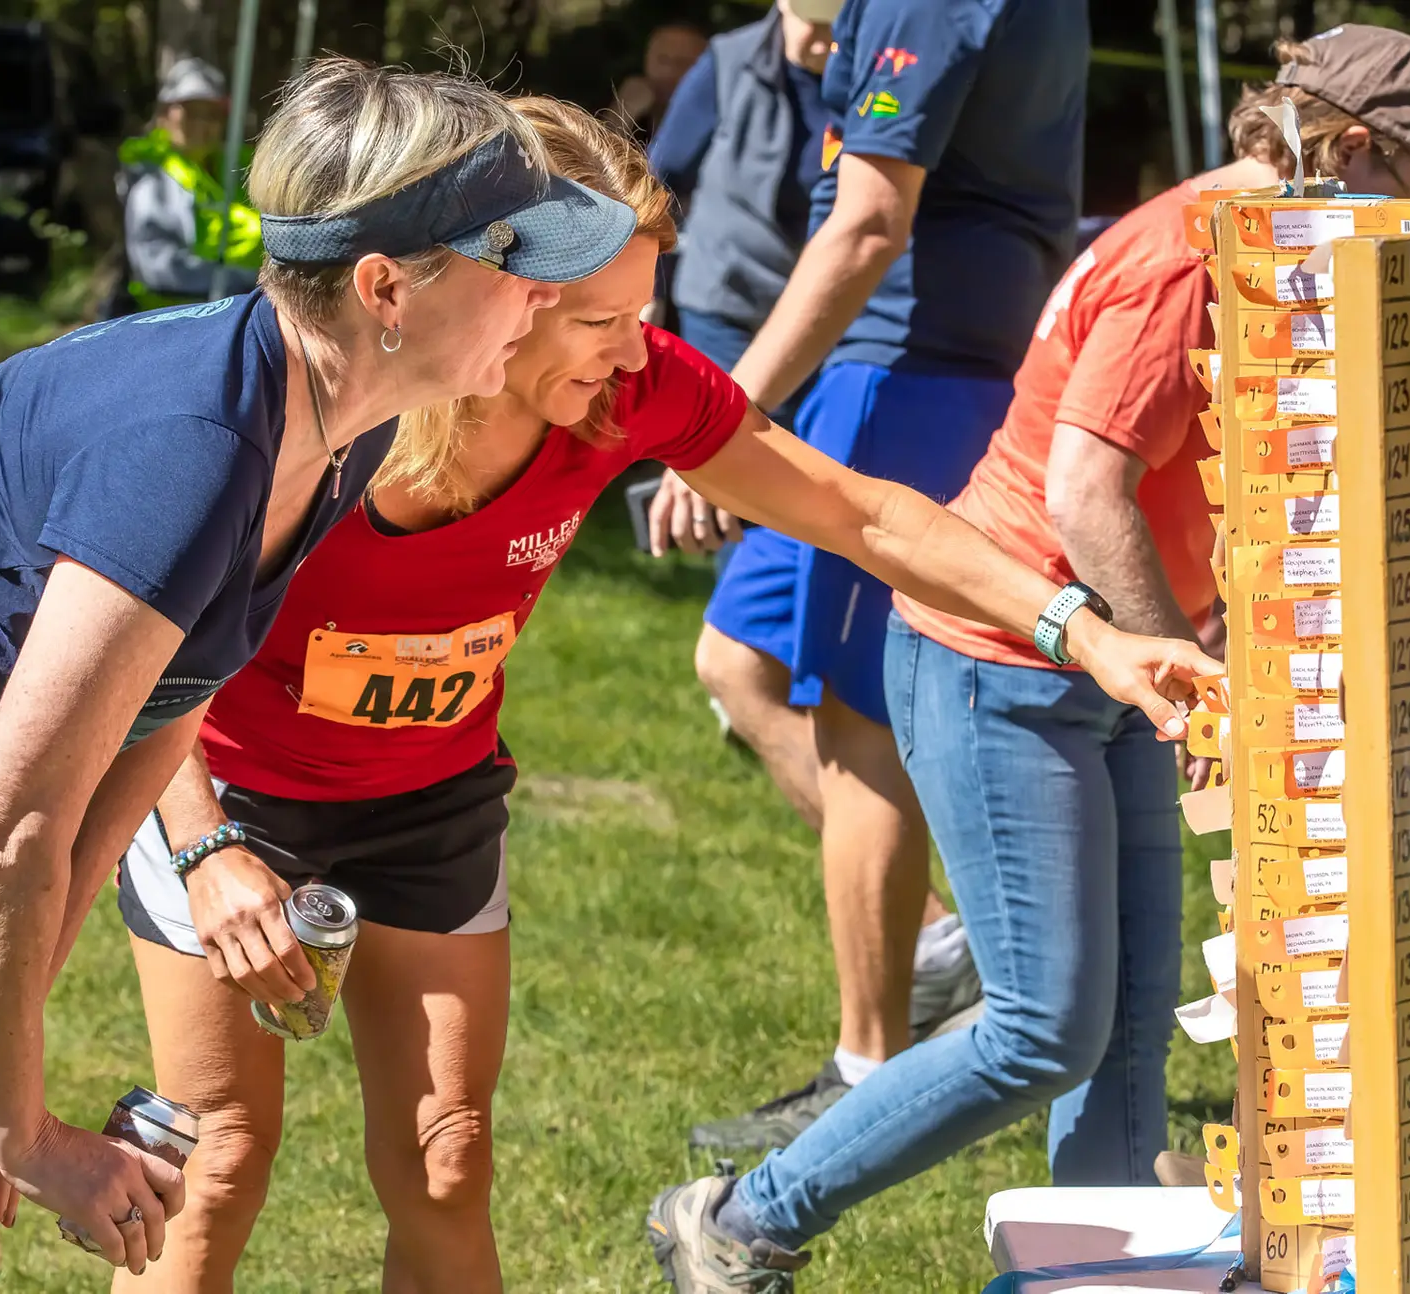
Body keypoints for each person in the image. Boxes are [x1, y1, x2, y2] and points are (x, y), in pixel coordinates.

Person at [116, 95, 1221, 1294]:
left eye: (644, 313)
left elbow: (864, 515)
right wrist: (206, 846)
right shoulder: (320, 417)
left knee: (449, 1159)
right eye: (601, 319)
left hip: (428, 798)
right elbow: (143, 644)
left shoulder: (625, 389)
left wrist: (1087, 633)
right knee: (216, 1163)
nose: (635, 349)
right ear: (499, 300)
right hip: (223, 790)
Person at [0, 58, 635, 1293]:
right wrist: (26, 1132)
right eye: (515, 261)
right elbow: (10, 827)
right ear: (383, 289)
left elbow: (153, 727)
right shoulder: (194, 452)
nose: (543, 297)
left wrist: (4, 1068)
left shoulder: (338, 434)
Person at [643, 24, 1410, 1290]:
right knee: (1043, 1026)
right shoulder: (1192, 254)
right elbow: (1087, 492)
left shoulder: (1261, 246)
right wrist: (1183, 659)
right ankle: (740, 1218)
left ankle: (1098, 1273)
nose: (1402, 236)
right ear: (1349, 145)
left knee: (1126, 1025)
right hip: (1001, 663)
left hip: (1106, 666)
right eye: (1408, 197)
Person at [656, 0, 1090, 1153]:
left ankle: (867, 1071)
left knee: (861, 724)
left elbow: (867, 224)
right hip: (900, 365)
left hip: (909, 374)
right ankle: (938, 945)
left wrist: (719, 417)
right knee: (738, 658)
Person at [647, 0, 837, 431]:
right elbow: (658, 180)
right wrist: (650, 284)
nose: (824, 40)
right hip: (726, 301)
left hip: (826, 310)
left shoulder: (876, 73)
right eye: (812, 23)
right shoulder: (728, 60)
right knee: (728, 440)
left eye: (835, 25)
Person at [120, 57, 264, 312]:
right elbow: (156, 267)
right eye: (191, 112)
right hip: (176, 317)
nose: (202, 124)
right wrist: (246, 278)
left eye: (212, 115)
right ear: (164, 115)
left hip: (243, 307)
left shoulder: (239, 168)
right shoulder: (152, 182)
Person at [612, 22, 709, 143]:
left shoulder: (713, 120)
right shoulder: (632, 107)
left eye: (682, 63)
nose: (668, 72)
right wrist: (622, 114)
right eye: (662, 60)